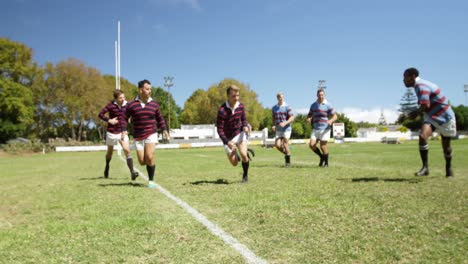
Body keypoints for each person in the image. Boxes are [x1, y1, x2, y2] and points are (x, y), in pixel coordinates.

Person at [403, 67, 456, 177]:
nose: (404, 80)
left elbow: (425, 104)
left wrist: (415, 113)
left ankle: (448, 167)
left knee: (446, 146)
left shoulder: (420, 85)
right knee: (422, 136)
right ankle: (425, 168)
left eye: (405, 77)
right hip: (431, 116)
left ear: (413, 76)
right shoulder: (419, 85)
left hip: (444, 116)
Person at [124, 79, 169, 188]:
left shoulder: (154, 104)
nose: (149, 91)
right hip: (138, 135)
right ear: (140, 90)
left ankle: (151, 180)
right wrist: (124, 128)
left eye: (150, 89)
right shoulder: (131, 105)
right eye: (147, 89)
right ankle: (149, 171)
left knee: (149, 156)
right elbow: (124, 117)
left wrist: (164, 130)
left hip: (151, 133)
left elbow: (160, 118)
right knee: (142, 162)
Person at [216, 85, 254, 183]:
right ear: (228, 96)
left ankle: (245, 176)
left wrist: (245, 126)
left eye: (238, 95)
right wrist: (227, 142)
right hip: (228, 137)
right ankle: (237, 153)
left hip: (239, 133)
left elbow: (244, 119)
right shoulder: (222, 110)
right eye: (234, 96)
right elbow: (219, 130)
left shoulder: (240, 106)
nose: (236, 98)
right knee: (234, 163)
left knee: (244, 155)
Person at [98, 89, 138, 180]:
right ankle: (107, 165)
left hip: (122, 132)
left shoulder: (127, 105)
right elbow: (100, 114)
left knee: (127, 150)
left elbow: (132, 115)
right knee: (109, 153)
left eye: (124, 97)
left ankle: (132, 172)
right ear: (115, 98)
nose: (123, 99)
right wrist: (109, 120)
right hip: (111, 132)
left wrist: (129, 122)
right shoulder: (111, 105)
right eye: (120, 98)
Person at [307, 88, 337, 167]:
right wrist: (309, 119)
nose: (321, 96)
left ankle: (326, 163)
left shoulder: (328, 105)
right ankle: (321, 157)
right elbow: (309, 115)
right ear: (317, 95)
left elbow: (335, 116)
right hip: (315, 128)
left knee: (323, 146)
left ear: (324, 95)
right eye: (319, 95)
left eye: (322, 95)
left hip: (325, 129)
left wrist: (330, 121)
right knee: (311, 145)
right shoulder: (313, 105)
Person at [272, 92, 295, 167]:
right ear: (277, 98)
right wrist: (273, 125)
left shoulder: (287, 106)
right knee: (277, 145)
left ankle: (287, 163)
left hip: (287, 128)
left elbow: (292, 117)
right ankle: (287, 154)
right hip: (278, 129)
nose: (281, 98)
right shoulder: (274, 108)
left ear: (283, 98)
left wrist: (285, 123)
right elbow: (273, 118)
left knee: (285, 144)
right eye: (279, 97)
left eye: (282, 97)